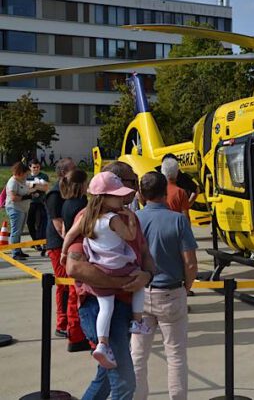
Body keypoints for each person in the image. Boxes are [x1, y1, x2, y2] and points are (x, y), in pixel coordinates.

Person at [66, 161, 154, 400]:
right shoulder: (89, 218)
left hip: (123, 307)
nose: (135, 189)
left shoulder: (129, 216)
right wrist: (123, 283)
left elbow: (145, 256)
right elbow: (74, 266)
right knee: (125, 384)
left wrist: (146, 276)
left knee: (104, 378)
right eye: (130, 183)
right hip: (100, 306)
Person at [131, 172, 198, 400]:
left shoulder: (134, 219)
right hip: (171, 291)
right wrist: (186, 288)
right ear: (165, 192)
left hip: (140, 295)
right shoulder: (178, 220)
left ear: (141, 194)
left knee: (138, 354)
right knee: (176, 355)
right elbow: (190, 262)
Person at [45, 157, 88, 347]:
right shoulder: (55, 195)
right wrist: (69, 249)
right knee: (65, 286)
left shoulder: (72, 197)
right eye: (73, 168)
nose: (75, 170)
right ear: (63, 173)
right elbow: (59, 225)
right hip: (58, 245)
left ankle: (70, 324)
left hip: (67, 245)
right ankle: (63, 324)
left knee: (70, 288)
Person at [4, 162, 38, 260]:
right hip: (15, 209)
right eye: (25, 174)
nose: (26, 176)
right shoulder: (13, 182)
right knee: (16, 231)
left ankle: (18, 250)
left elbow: (26, 190)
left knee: (19, 231)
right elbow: (13, 197)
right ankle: (15, 252)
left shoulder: (21, 180)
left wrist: (33, 192)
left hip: (23, 209)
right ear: (19, 173)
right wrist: (29, 196)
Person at [26, 159, 49, 256]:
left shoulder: (43, 176)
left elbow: (45, 188)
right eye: (34, 167)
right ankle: (35, 242)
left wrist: (33, 185)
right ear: (30, 167)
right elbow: (25, 189)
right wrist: (38, 186)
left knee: (40, 223)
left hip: (40, 203)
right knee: (30, 223)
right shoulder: (27, 176)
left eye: (38, 167)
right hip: (29, 203)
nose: (36, 169)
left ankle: (42, 243)